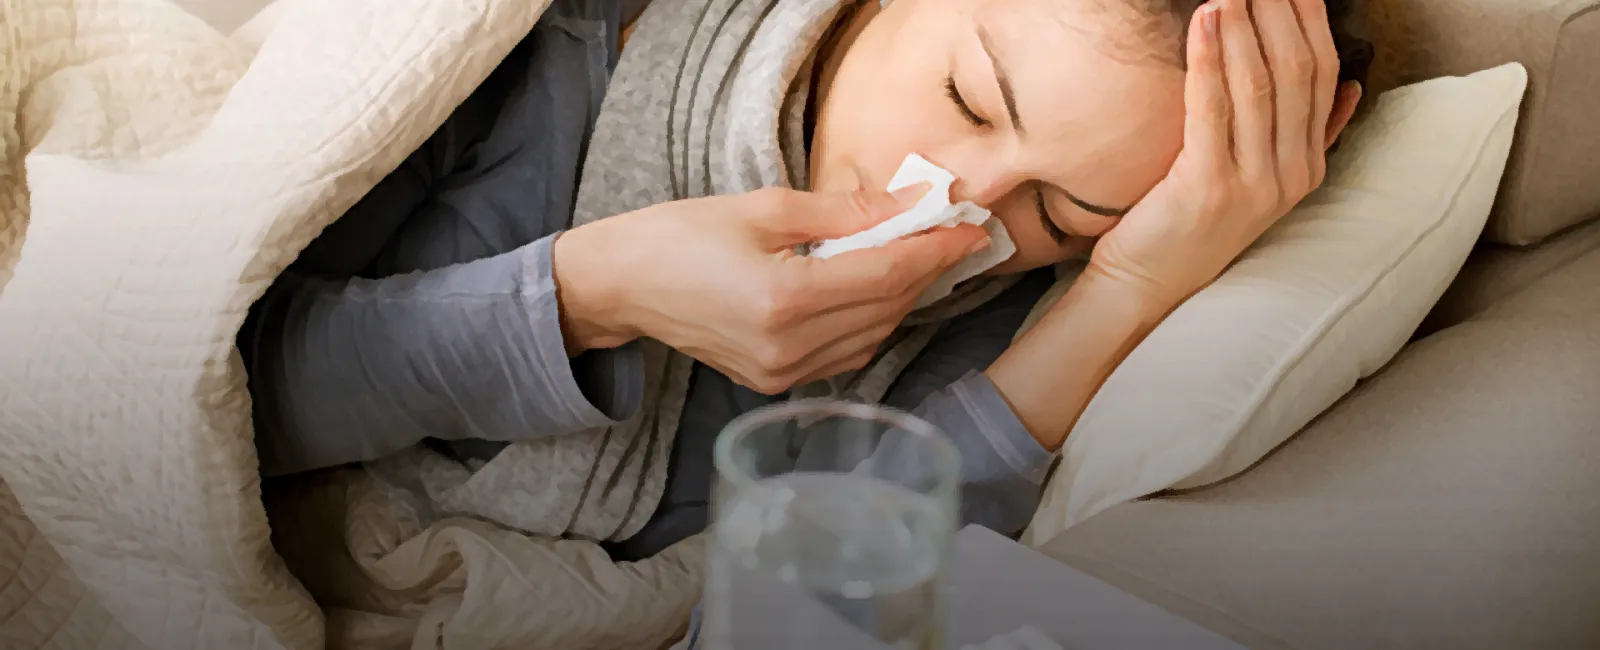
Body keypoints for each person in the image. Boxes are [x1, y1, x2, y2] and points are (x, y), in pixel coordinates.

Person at [242, 0, 1373, 560]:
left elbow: (839, 596)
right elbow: (187, 395)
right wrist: (591, 295)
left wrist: (1120, 287)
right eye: (972, 99)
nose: (964, 202)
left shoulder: (1002, 305)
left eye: (1062, 209)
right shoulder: (538, 50)